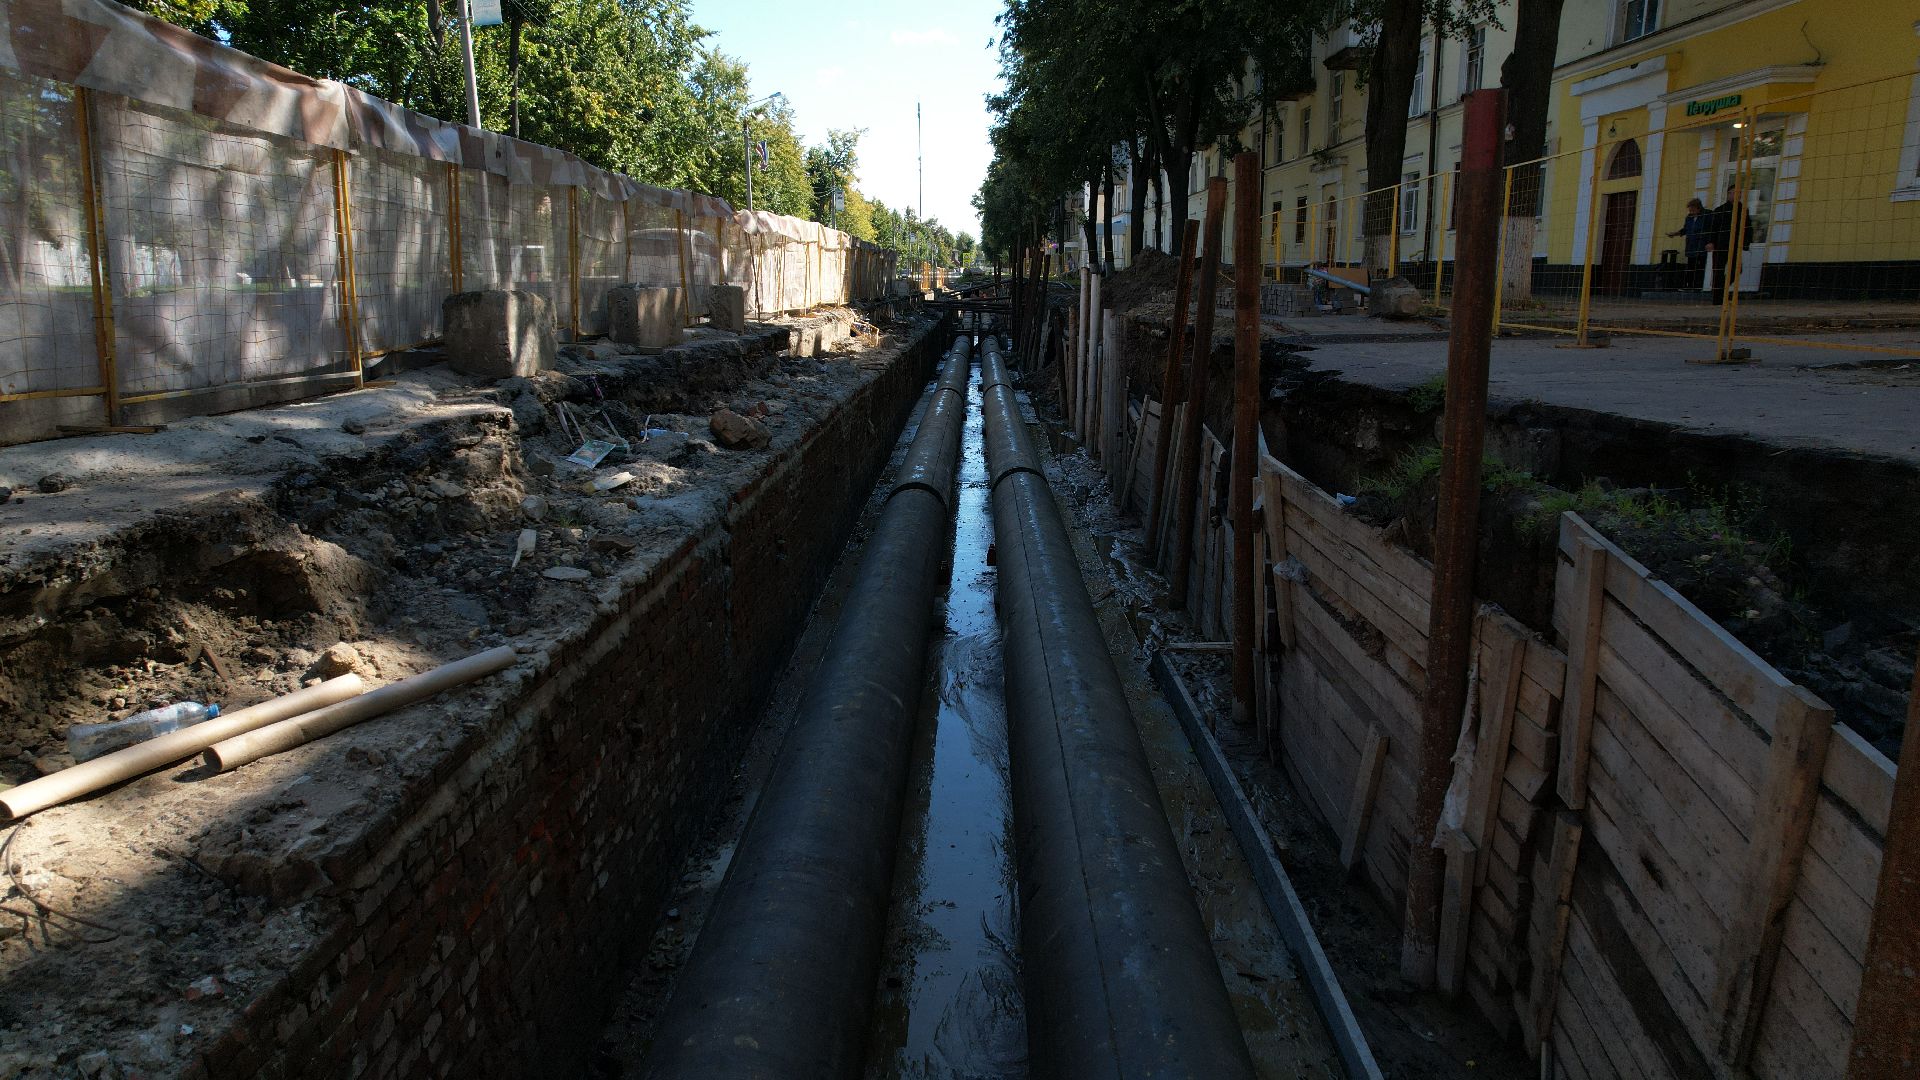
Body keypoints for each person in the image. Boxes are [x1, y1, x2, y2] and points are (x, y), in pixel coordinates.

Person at [1706, 183, 1753, 304]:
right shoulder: (1719, 210)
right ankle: (1717, 299)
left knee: (1737, 269)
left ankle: (1722, 290)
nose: (1737, 195)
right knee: (1718, 271)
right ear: (1728, 194)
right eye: (1734, 193)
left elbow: (1747, 227)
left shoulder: (1743, 210)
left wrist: (1746, 242)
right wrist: (1711, 242)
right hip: (1720, 244)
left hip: (1735, 245)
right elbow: (1713, 228)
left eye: (1739, 193)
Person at [1667, 198, 1708, 293]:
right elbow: (1685, 229)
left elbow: (1708, 229)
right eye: (1690, 210)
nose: (1691, 212)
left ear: (1698, 208)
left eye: (1692, 210)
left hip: (1701, 245)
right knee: (1690, 266)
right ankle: (1689, 286)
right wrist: (1675, 234)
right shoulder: (1689, 218)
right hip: (1691, 245)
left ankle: (1698, 287)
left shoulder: (1706, 216)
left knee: (1700, 267)